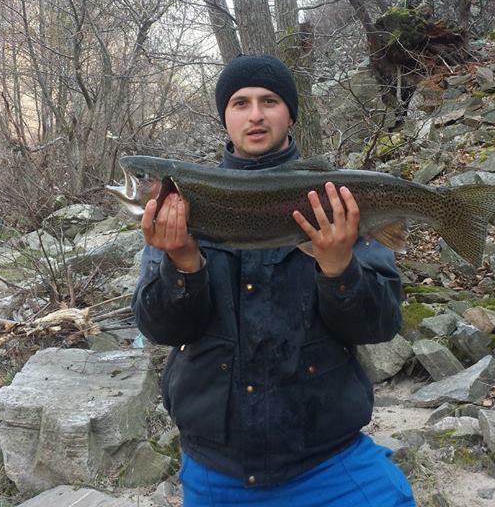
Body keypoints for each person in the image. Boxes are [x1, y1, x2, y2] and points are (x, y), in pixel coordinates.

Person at [132, 54, 415, 506]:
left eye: (270, 101)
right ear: (225, 117)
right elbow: (160, 329)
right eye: (240, 103)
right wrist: (182, 264)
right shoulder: (180, 207)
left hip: (328, 457)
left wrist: (340, 268)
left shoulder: (333, 197)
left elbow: (380, 326)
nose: (256, 115)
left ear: (291, 114)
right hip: (216, 466)